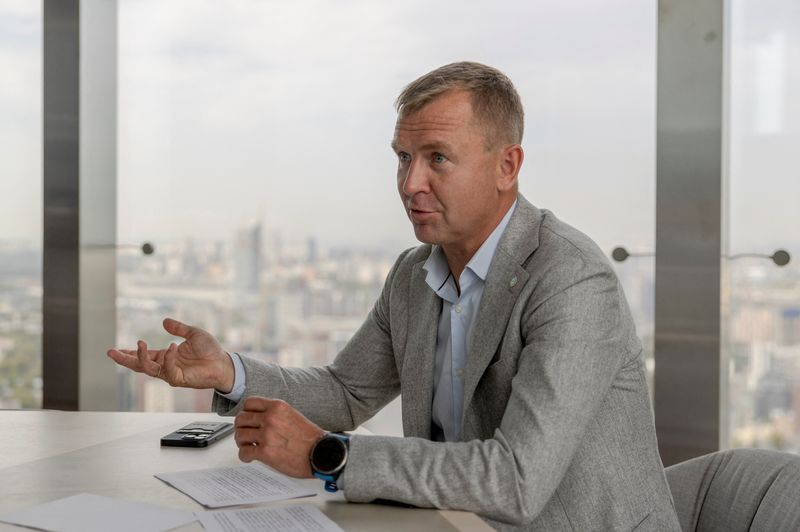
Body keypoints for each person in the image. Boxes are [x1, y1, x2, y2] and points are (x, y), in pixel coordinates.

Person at [108, 62, 680, 531]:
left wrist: (326, 455)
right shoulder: (414, 274)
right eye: (403, 158)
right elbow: (346, 391)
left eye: (438, 158)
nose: (410, 185)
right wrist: (229, 373)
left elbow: (515, 479)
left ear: (507, 165)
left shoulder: (571, 280)